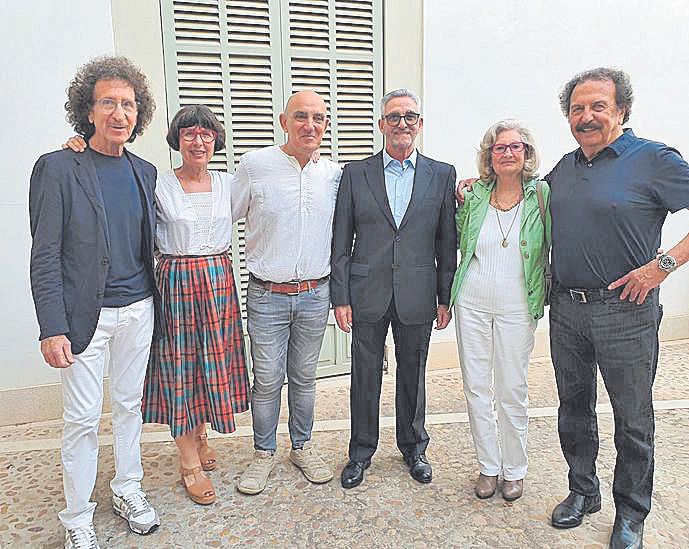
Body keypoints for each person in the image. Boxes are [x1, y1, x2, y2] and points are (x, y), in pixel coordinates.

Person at [64, 105, 251, 506]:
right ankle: (188, 462)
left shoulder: (230, 184)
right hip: (176, 283)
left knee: (208, 363)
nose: (197, 141)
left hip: (218, 280)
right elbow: (114, 192)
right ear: (176, 141)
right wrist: (78, 148)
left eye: (205, 134)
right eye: (188, 134)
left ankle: (201, 434)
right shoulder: (156, 182)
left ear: (216, 140)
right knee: (180, 367)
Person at [547, 68, 689, 548]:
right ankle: (582, 491)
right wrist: (478, 182)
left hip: (626, 312)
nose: (586, 117)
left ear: (621, 111)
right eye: (577, 109)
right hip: (566, 309)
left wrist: (662, 265)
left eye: (597, 106)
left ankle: (631, 512)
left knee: (632, 417)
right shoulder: (565, 168)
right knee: (573, 407)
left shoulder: (652, 159)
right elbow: (521, 199)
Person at [29, 55, 160, 549]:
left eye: (128, 104)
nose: (119, 113)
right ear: (88, 110)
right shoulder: (59, 167)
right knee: (82, 420)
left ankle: (128, 489)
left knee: (130, 407)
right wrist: (51, 326)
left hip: (140, 309)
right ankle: (77, 516)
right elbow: (44, 253)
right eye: (108, 102)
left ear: (138, 113)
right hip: (86, 317)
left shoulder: (144, 172)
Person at [331, 88, 457, 489]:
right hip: (366, 290)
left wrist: (444, 295)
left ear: (420, 125)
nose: (402, 123)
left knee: (413, 373)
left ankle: (414, 448)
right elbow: (341, 239)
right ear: (381, 124)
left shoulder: (442, 174)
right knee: (365, 376)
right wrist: (341, 296)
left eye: (409, 116)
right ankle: (361, 452)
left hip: (418, 291)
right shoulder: (355, 173)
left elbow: (446, 241)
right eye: (394, 117)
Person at [231, 90, 341, 495]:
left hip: (315, 293)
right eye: (300, 117)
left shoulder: (333, 175)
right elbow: (218, 208)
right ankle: (263, 453)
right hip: (266, 295)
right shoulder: (255, 166)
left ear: (325, 125)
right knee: (267, 378)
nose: (309, 126)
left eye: (317, 118)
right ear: (283, 121)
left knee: (305, 377)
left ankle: (302, 446)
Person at [449, 120, 550, 502]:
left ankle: (515, 469)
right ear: (489, 156)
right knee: (476, 387)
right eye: (499, 147)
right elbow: (459, 237)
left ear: (526, 153)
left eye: (515, 146)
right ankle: (488, 466)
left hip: (517, 305)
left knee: (512, 388)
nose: (507, 152)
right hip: (472, 302)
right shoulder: (473, 196)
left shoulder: (541, 195)